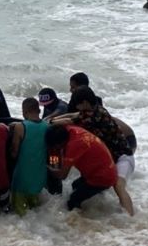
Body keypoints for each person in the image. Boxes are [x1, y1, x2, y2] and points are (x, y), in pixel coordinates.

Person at [52, 86, 135, 215]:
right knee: (80, 186)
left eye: (77, 104)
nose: (77, 107)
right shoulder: (97, 110)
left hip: (122, 157)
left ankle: (131, 219)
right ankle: (97, 211)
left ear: (85, 103)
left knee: (118, 187)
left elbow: (71, 120)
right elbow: (74, 115)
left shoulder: (92, 118)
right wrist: (55, 120)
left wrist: (51, 121)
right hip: (111, 156)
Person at [45, 124, 119, 212]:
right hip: (107, 170)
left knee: (72, 201)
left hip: (102, 178)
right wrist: (54, 158)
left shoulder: (74, 146)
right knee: (75, 185)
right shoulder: (71, 130)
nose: (54, 149)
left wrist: (47, 167)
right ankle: (98, 206)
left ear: (62, 143)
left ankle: (78, 222)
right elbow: (55, 152)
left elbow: (62, 175)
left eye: (56, 147)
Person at [9, 98, 48, 216]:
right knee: (36, 211)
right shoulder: (47, 126)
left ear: (25, 111)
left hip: (22, 177)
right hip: (40, 177)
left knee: (20, 214)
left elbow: (14, 152)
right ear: (38, 110)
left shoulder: (20, 127)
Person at [38, 87, 67, 195]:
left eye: (48, 104)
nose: (46, 106)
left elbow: (52, 116)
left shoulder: (62, 106)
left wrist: (43, 120)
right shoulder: (47, 106)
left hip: (58, 145)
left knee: (54, 169)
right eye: (44, 104)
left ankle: (57, 194)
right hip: (50, 142)